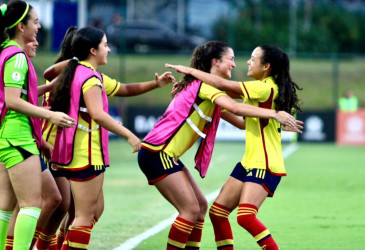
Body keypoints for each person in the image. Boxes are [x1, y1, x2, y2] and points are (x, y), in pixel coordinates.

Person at [138, 41, 299, 250]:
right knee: (199, 211)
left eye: (252, 58)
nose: (237, 64)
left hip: (261, 163)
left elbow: (238, 116)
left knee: (214, 210)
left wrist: (273, 120)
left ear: (266, 66)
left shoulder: (257, 88)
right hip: (159, 153)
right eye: (231, 59)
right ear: (216, 62)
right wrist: (273, 115)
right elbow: (234, 107)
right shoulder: (206, 87)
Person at [41, 25, 177, 249]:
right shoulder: (90, 78)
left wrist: (155, 83)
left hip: (69, 151)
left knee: (90, 211)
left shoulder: (75, 72)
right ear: (92, 51)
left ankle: (57, 244)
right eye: (105, 45)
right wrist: (129, 135)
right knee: (84, 216)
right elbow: (99, 115)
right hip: (86, 153)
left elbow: (122, 89)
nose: (109, 49)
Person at [0, 1, 75, 249]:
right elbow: (12, 101)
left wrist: (48, 89)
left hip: (7, 136)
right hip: (17, 137)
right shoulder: (18, 57)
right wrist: (50, 116)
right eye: (35, 22)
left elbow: (14, 96)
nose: (39, 26)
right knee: (32, 204)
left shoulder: (5, 51)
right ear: (21, 27)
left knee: (5, 208)